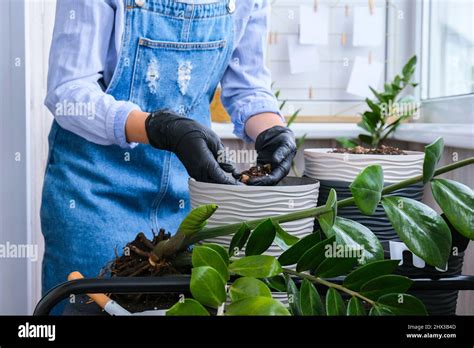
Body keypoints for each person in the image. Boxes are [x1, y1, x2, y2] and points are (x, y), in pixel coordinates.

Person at [41, 0, 296, 299]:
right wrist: (156, 128)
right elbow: (68, 91)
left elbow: (248, 86)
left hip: (188, 205)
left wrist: (272, 131)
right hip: (95, 197)